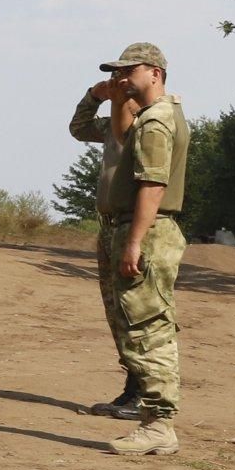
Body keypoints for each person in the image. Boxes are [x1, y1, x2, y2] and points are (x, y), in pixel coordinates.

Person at [79, 43, 190, 458]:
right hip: (128, 227)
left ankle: (159, 423)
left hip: (145, 230)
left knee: (148, 329)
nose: (123, 78)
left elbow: (153, 186)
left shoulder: (157, 120)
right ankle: (152, 418)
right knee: (134, 325)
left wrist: (135, 242)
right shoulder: (147, 118)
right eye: (118, 72)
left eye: (132, 70)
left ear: (156, 73)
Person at [69, 80, 142, 414]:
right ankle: (133, 386)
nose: (120, 86)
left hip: (135, 227)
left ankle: (147, 392)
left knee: (138, 312)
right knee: (117, 313)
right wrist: (95, 95)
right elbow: (79, 128)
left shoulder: (151, 124)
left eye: (125, 80)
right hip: (110, 227)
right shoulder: (113, 125)